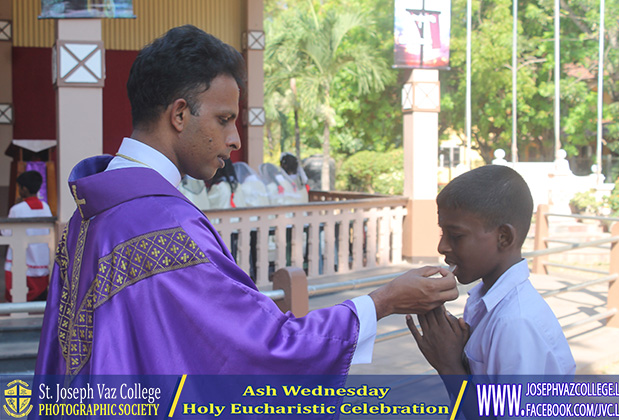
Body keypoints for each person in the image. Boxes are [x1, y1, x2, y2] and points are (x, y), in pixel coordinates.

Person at [35, 25, 458, 377]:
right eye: (224, 120)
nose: (235, 140)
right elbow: (265, 347)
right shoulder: (163, 224)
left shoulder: (88, 216)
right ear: (179, 115)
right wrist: (383, 301)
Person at [407, 165, 575, 376]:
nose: (442, 247)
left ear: (503, 237)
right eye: (443, 233)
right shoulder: (482, 300)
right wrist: (457, 355)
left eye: (456, 236)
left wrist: (449, 366)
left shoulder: (516, 324)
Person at [2, 170, 53, 302]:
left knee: (20, 295)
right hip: (41, 258)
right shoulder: (45, 207)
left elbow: (7, 233)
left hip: (23, 259)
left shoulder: (17, 209)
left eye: (19, 187)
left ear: (24, 188)